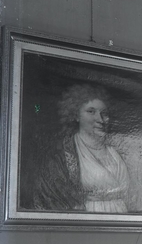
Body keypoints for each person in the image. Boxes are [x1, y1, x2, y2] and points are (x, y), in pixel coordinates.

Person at [27, 84, 134, 213]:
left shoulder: (114, 153)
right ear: (76, 115)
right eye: (91, 111)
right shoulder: (61, 155)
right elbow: (50, 197)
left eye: (104, 113)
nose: (100, 119)